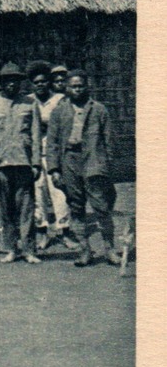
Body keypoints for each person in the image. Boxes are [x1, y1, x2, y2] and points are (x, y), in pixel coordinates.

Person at [46, 70, 120, 267]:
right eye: (73, 86)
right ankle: (84, 250)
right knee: (76, 207)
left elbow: (109, 140)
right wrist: (54, 169)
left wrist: (106, 165)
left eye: (80, 86)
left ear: (87, 87)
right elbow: (52, 142)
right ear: (67, 88)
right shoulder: (59, 111)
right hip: (69, 161)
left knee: (101, 207)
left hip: (94, 161)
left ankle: (109, 249)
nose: (77, 89)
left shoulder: (99, 110)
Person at [0, 63, 42, 263]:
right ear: (1, 83)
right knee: (4, 209)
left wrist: (36, 163)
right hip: (1, 163)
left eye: (15, 80)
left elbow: (35, 134)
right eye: (8, 81)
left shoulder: (29, 104)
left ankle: (29, 250)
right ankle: (10, 249)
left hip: (23, 162)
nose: (12, 84)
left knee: (26, 208)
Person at [27, 61, 74, 253]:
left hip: (55, 152)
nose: (40, 85)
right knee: (38, 192)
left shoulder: (60, 100)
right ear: (32, 84)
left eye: (44, 81)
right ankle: (41, 230)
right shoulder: (28, 101)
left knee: (59, 192)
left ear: (49, 82)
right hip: (34, 153)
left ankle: (64, 231)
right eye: (36, 82)